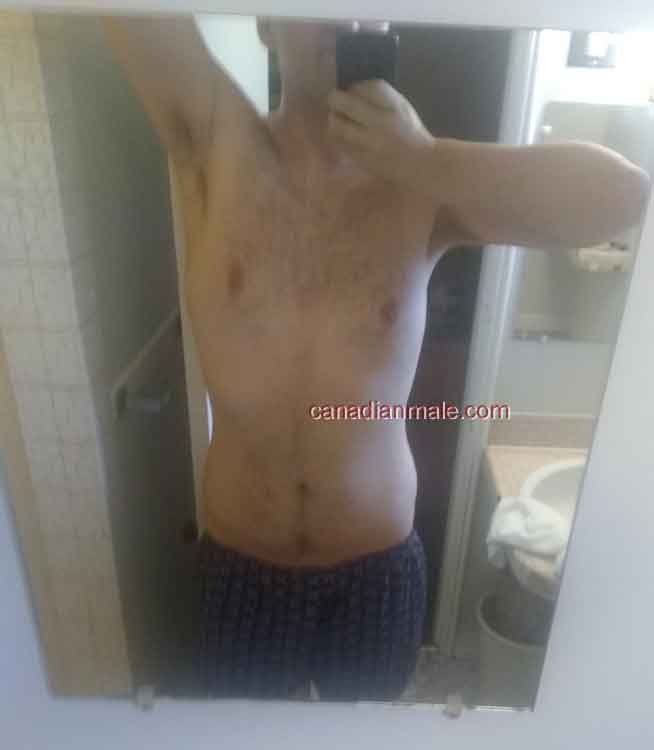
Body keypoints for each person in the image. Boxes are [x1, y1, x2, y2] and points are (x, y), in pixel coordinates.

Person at [103, 15, 651, 701]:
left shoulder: (421, 183)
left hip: (375, 569)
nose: (344, 14)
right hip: (241, 562)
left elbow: (621, 198)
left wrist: (425, 158)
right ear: (267, 24)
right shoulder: (216, 143)